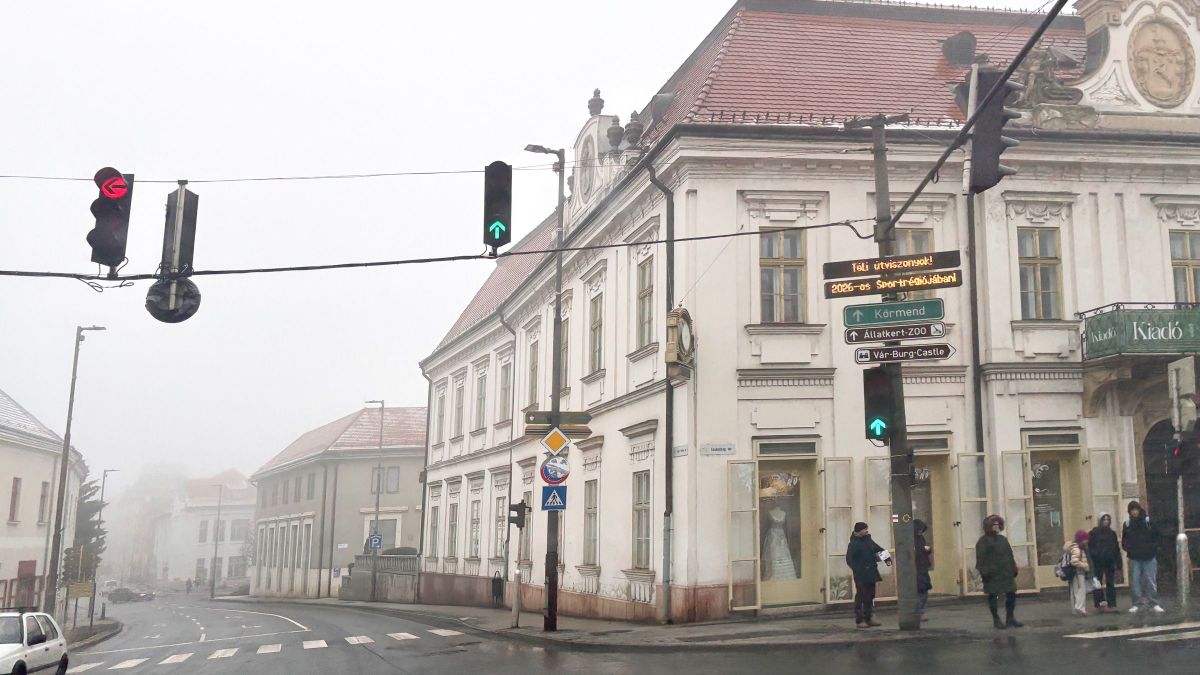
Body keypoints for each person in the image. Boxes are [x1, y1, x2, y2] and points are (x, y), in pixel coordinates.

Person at [975, 514, 1022, 629]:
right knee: (993, 596)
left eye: (997, 525)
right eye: (993, 525)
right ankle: (996, 620)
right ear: (988, 526)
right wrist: (985, 573)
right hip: (992, 574)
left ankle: (1010, 618)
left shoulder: (1003, 539)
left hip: (1006, 572)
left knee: (1011, 594)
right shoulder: (983, 541)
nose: (996, 527)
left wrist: (1013, 567)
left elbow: (1009, 554)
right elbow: (981, 559)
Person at [846, 521, 892, 628]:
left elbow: (878, 549)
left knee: (870, 596)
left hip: (871, 572)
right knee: (861, 596)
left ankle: (868, 618)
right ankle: (860, 620)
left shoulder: (868, 540)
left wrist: (888, 560)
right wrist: (858, 569)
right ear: (859, 531)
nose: (867, 531)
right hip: (861, 575)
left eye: (867, 529)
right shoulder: (853, 544)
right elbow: (849, 559)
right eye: (864, 529)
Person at [1122, 500, 1164, 613]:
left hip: (1149, 556)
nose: (1134, 512)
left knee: (1151, 581)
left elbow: (1157, 536)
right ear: (1129, 512)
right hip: (1134, 557)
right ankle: (1136, 604)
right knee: (1135, 582)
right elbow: (1124, 540)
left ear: (1139, 509)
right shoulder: (1127, 524)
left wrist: (1153, 548)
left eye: (1135, 509)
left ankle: (1153, 603)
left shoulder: (1148, 521)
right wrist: (1129, 549)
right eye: (1132, 510)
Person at [1088, 513, 1121, 612]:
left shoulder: (1112, 533)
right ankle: (1099, 603)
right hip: (1097, 561)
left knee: (1110, 582)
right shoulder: (1094, 533)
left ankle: (1111, 603)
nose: (1106, 522)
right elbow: (1090, 547)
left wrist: (1119, 563)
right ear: (1100, 521)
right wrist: (1095, 555)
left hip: (1109, 561)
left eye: (1107, 519)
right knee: (1097, 583)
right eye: (1104, 519)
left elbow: (1116, 549)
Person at [1064, 529, 1091, 616]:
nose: (1087, 541)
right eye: (1085, 539)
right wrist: (1084, 565)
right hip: (1078, 572)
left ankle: (1078, 609)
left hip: (1075, 572)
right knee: (1081, 589)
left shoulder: (1075, 547)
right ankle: (1079, 607)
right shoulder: (1077, 549)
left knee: (1076, 590)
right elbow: (1074, 561)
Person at [914, 519, 933, 621]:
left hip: (923, 566)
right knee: (920, 590)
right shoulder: (913, 539)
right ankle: (919, 611)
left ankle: (921, 611)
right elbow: (913, 552)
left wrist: (928, 549)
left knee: (923, 589)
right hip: (917, 567)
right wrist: (924, 549)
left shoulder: (921, 538)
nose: (920, 531)